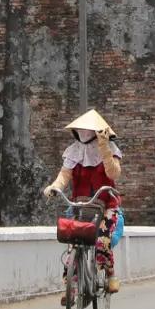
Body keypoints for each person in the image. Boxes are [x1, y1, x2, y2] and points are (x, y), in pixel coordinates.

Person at [43, 108, 123, 294]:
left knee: (102, 241)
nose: (84, 132)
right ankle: (71, 285)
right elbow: (64, 175)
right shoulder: (74, 151)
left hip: (105, 205)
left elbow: (114, 173)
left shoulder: (110, 149)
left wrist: (104, 148)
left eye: (89, 129)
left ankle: (110, 273)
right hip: (80, 205)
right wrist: (54, 187)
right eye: (81, 129)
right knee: (73, 243)